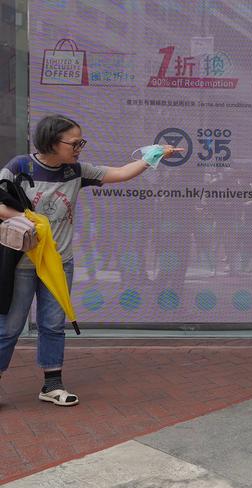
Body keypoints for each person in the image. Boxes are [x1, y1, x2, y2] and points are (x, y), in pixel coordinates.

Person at [0, 114, 179, 406]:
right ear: (51, 141)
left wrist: (155, 154)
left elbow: (121, 173)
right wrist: (29, 219)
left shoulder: (76, 171)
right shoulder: (20, 166)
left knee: (53, 323)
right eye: (75, 142)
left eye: (81, 141)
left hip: (60, 262)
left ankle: (52, 385)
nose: (80, 147)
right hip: (22, 262)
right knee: (10, 326)